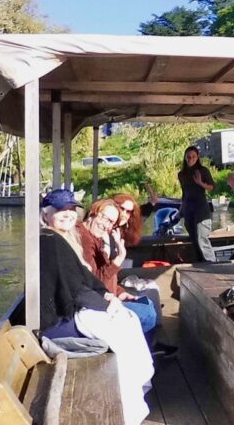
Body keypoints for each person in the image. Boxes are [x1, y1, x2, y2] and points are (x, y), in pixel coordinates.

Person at [39, 188, 153, 425]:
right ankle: (129, 406)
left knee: (128, 321)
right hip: (57, 324)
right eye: (60, 210)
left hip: (74, 311)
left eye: (71, 209)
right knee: (124, 329)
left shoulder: (64, 238)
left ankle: (134, 394)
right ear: (46, 213)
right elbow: (74, 289)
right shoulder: (50, 241)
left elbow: (87, 280)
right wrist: (105, 303)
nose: (68, 214)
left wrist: (109, 297)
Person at [77, 199, 158, 336]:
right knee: (147, 313)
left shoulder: (98, 237)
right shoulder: (84, 239)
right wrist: (118, 260)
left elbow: (106, 277)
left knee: (147, 303)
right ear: (93, 212)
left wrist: (120, 292)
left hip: (109, 296)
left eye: (110, 222)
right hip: (95, 305)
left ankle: (147, 346)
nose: (105, 225)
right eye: (104, 218)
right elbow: (94, 282)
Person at [177, 146, 216, 261]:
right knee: (194, 240)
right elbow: (184, 193)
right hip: (189, 210)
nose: (190, 159)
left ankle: (212, 265)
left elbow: (212, 187)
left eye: (193, 157)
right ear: (185, 158)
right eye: (188, 157)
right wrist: (181, 210)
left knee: (202, 239)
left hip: (201, 210)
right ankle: (201, 264)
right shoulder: (181, 174)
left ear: (197, 157)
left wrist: (200, 183)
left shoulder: (203, 171)